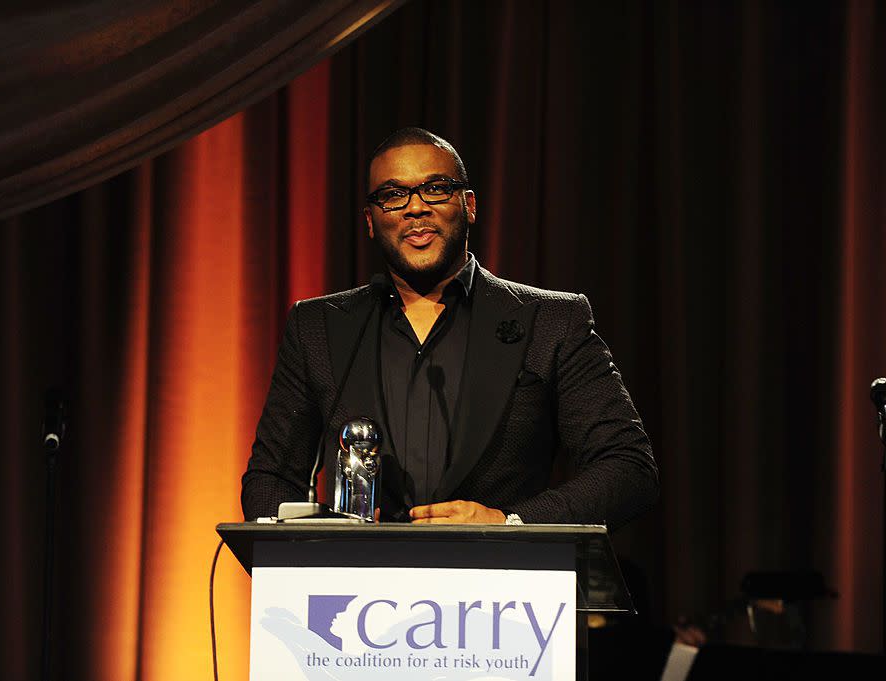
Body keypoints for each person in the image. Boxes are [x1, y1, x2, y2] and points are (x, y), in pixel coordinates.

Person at [241, 127, 658, 527]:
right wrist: (320, 551)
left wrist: (510, 525)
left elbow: (627, 469)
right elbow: (269, 480)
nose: (416, 207)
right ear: (370, 220)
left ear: (469, 205)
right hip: (362, 592)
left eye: (436, 188)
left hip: (504, 588)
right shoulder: (318, 328)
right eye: (392, 195)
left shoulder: (550, 321)